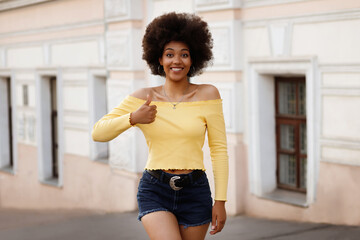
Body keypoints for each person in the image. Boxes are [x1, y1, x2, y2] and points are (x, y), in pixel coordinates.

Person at [92, 12, 229, 240]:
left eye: (184, 55)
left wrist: (221, 201)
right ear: (159, 59)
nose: (177, 61)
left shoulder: (208, 94)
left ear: (193, 59)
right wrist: (133, 118)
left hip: (195, 191)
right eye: (169, 54)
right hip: (155, 189)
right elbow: (98, 132)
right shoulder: (143, 97)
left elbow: (219, 150)